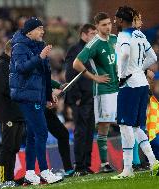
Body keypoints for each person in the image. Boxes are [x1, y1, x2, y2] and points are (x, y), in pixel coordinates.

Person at [9, 17, 62, 185]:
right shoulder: (19, 47)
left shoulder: (39, 46)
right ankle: (45, 171)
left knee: (33, 135)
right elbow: (21, 68)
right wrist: (39, 57)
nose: (42, 31)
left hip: (36, 96)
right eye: (39, 28)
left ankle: (30, 172)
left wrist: (48, 95)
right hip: (26, 96)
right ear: (29, 31)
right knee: (41, 132)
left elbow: (45, 74)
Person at [112, 6, 159, 179]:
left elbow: (124, 55)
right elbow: (153, 58)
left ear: (120, 20)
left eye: (115, 18)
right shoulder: (140, 34)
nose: (114, 21)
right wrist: (139, 69)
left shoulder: (123, 35)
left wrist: (123, 75)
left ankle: (128, 170)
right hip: (142, 84)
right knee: (135, 126)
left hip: (130, 85)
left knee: (125, 126)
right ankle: (153, 160)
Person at [73, 12, 118, 173]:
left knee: (128, 123)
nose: (107, 27)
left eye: (109, 23)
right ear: (97, 26)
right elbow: (76, 63)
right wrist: (94, 77)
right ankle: (105, 164)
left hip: (118, 87)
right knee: (104, 126)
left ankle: (133, 161)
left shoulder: (114, 39)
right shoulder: (94, 44)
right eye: (104, 24)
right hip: (103, 91)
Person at [64, 23, 97, 176]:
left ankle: (86, 164)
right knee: (81, 132)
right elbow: (70, 74)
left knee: (89, 131)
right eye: (92, 33)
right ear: (83, 34)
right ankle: (79, 165)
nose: (94, 36)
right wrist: (75, 96)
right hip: (81, 98)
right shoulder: (75, 50)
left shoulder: (92, 50)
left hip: (92, 96)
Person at [0, 40, 25, 187]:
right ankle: (1, 180)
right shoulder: (1, 66)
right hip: (7, 113)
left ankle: (9, 178)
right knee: (7, 148)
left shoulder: (13, 66)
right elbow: (4, 89)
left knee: (14, 148)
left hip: (17, 112)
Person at [46, 80, 74, 177]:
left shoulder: (41, 66)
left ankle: (68, 168)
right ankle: (38, 172)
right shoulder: (30, 67)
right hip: (33, 107)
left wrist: (59, 85)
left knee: (63, 134)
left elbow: (44, 77)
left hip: (44, 108)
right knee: (36, 139)